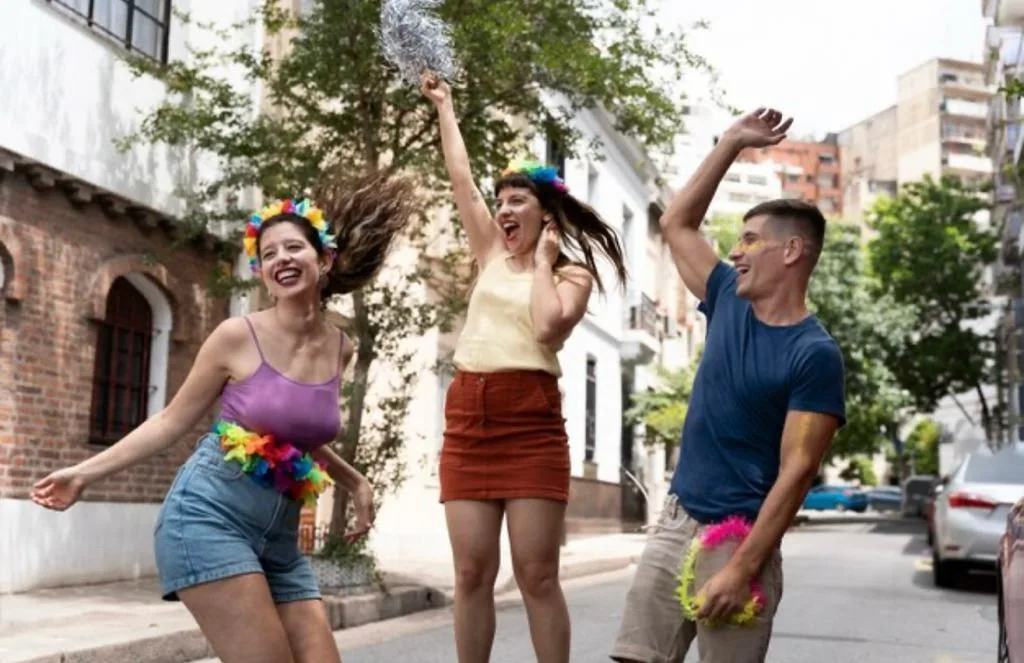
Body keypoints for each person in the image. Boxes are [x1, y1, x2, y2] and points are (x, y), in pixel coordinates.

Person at [30, 170, 417, 663]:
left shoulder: (341, 348)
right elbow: (171, 421)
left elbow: (295, 431)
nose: (280, 259)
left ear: (325, 260)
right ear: (260, 272)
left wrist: (354, 480)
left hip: (278, 536)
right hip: (208, 518)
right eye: (268, 254)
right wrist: (82, 474)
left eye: (293, 248)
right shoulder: (237, 336)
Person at [610, 108, 846, 663]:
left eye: (750, 240)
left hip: (740, 537)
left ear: (791, 252)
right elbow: (675, 225)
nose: (735, 252)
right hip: (676, 517)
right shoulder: (724, 298)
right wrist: (732, 143)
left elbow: (797, 472)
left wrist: (743, 568)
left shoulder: (814, 354)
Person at [421, 71, 628, 663]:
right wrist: (446, 105)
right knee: (469, 574)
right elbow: (460, 177)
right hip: (468, 415)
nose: (504, 209)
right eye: (502, 200)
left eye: (518, 201)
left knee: (536, 575)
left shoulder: (571, 275)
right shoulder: (487, 250)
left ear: (546, 214)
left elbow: (545, 327)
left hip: (531, 422)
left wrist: (541, 261)